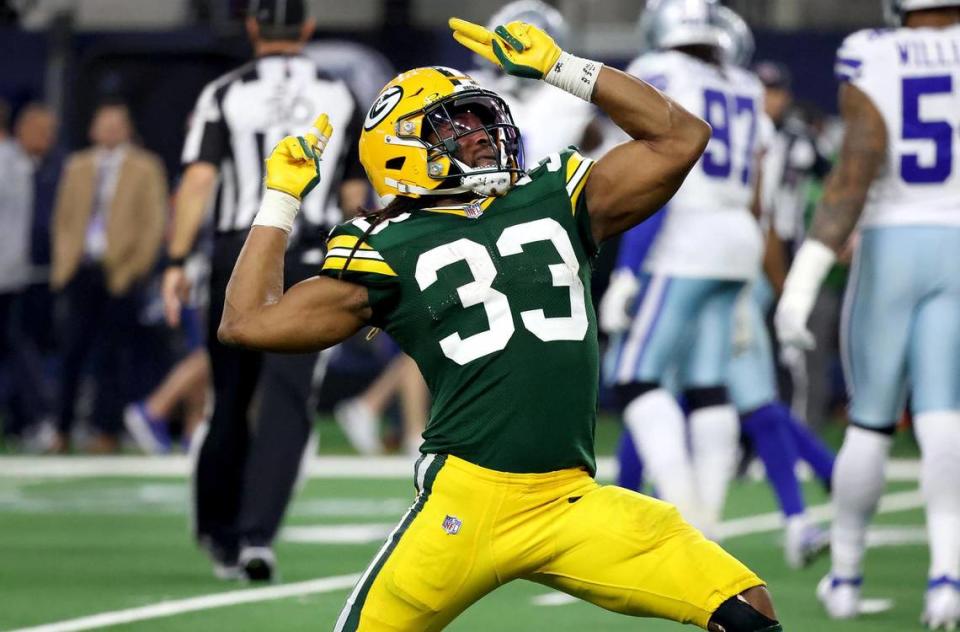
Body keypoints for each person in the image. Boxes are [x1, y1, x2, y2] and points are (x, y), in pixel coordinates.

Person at [217, 15, 784, 632]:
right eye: (454, 126)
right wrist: (280, 200)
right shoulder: (386, 247)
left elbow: (681, 138)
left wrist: (560, 68)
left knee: (747, 609)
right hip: (466, 502)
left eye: (482, 119)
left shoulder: (552, 196)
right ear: (401, 147)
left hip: (570, 497)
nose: (481, 134)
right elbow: (247, 323)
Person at [162, 0, 366, 582]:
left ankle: (220, 531)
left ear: (252, 27)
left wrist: (177, 258)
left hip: (240, 250)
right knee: (287, 396)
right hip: (313, 251)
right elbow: (354, 190)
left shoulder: (224, 92)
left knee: (231, 394)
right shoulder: (339, 91)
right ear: (306, 29)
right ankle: (258, 536)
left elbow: (199, 182)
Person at [774, 0, 960, 627]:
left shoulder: (873, 51)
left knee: (871, 424)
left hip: (891, 242)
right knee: (943, 419)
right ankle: (947, 581)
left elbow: (855, 169)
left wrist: (800, 283)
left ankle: (847, 577)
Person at [601, 0, 768, 536]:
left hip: (684, 233)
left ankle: (685, 510)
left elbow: (652, 170)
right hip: (738, 234)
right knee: (707, 383)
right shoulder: (746, 83)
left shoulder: (660, 72)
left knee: (633, 376)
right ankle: (709, 518)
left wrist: (627, 268)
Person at [50, 100, 168, 453]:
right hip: (80, 269)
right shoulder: (77, 165)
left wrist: (136, 268)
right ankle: (61, 430)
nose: (111, 131)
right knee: (72, 352)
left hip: (121, 272)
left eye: (117, 124)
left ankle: (106, 430)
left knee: (114, 356)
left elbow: (153, 222)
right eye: (105, 124)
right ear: (92, 129)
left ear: (128, 128)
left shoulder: (146, 167)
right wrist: (63, 264)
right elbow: (64, 219)